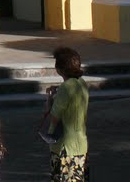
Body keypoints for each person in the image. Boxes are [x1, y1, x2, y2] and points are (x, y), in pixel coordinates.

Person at [46, 46, 89, 182]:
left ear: (60, 69)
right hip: (80, 143)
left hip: (65, 146)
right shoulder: (81, 83)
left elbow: (54, 117)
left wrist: (50, 99)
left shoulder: (65, 88)